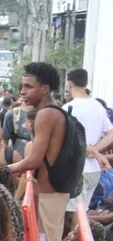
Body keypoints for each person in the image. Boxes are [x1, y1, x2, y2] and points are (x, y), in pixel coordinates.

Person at [8, 62, 72, 241]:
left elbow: (33, 159)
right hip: (51, 194)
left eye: (28, 86)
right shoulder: (52, 112)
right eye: (22, 86)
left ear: (45, 88)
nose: (22, 92)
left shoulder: (46, 114)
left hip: (48, 196)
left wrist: (1, 169)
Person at [64, 68, 113, 227]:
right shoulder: (98, 106)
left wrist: (91, 151)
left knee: (75, 216)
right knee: (82, 211)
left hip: (77, 169)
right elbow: (110, 134)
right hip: (93, 170)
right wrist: (96, 151)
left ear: (69, 83)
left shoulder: (68, 108)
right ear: (86, 83)